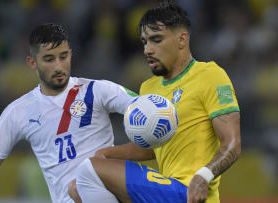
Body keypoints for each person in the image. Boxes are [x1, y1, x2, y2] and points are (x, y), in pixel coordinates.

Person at [69, 1, 241, 203]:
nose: (147, 50)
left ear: (182, 40)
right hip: (166, 189)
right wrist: (106, 153)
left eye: (156, 40)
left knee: (89, 169)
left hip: (190, 193)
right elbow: (151, 145)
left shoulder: (210, 75)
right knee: (76, 188)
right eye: (144, 42)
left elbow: (232, 144)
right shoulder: (148, 89)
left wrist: (203, 177)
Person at [0, 23, 137, 203]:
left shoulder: (99, 90)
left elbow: (149, 113)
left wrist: (115, 154)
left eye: (63, 57)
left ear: (70, 54)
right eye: (49, 59)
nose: (58, 67)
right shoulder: (17, 112)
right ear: (32, 62)